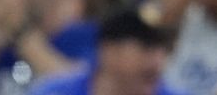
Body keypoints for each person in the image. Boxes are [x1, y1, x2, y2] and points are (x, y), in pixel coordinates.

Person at [27, 8, 185, 95]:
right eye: (146, 48)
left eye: (163, 49)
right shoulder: (56, 92)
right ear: (109, 51)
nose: (157, 61)